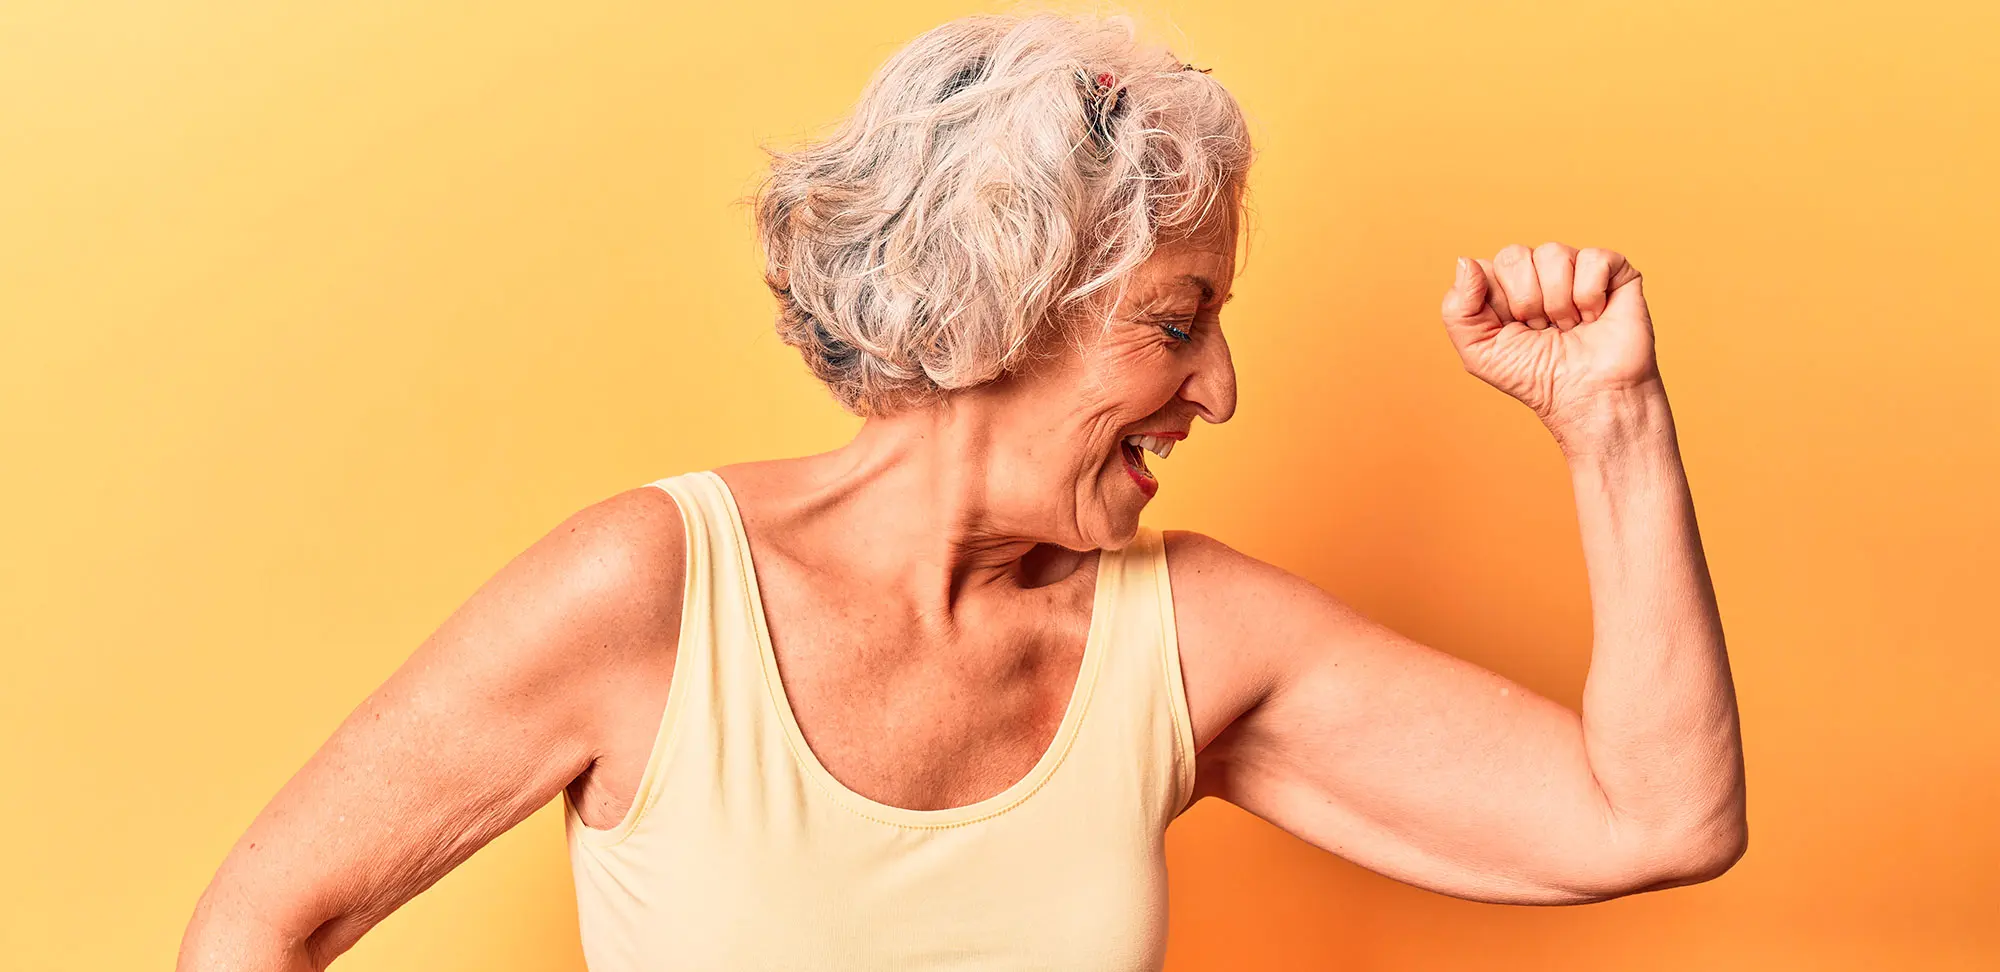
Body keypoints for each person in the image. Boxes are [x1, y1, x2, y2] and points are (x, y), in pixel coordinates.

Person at [178, 11, 1745, 971]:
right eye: (1175, 321)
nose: (1221, 387)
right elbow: (260, 930)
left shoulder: (1187, 636)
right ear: (997, 309)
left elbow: (1654, 817)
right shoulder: (652, 595)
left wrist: (1611, 424)